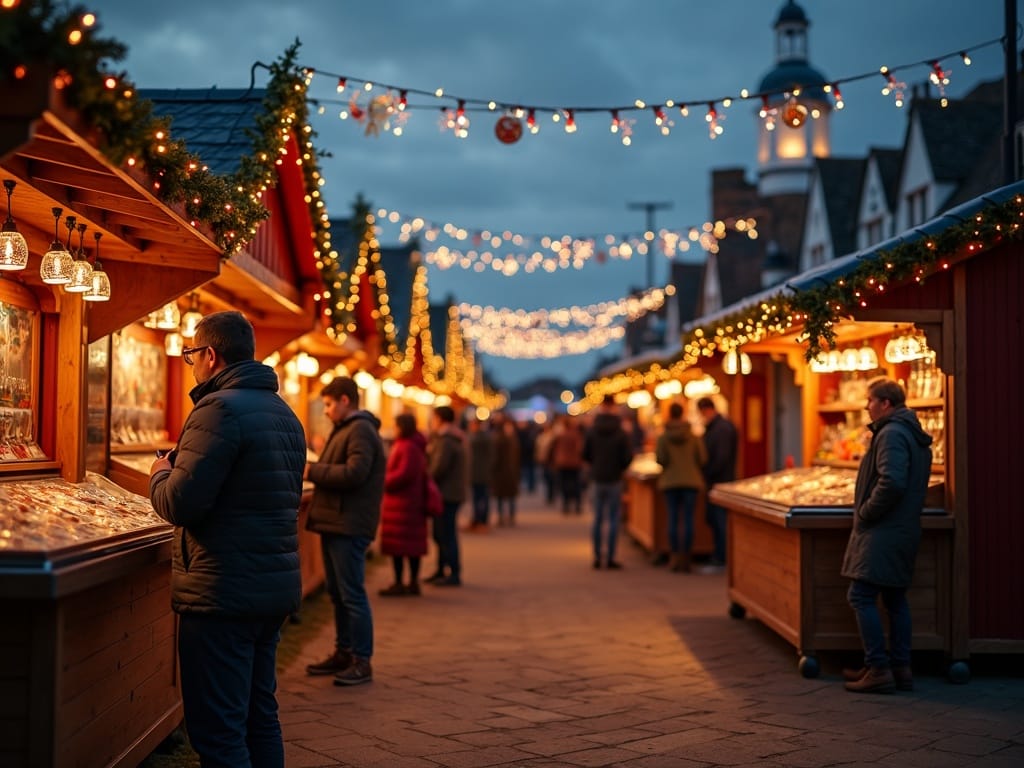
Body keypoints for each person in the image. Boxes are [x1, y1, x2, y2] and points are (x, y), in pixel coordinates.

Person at [149, 310, 305, 767]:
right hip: (269, 589)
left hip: (222, 593)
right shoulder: (283, 413)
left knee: (219, 731)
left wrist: (160, 473)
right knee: (259, 715)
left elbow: (181, 503)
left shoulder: (216, 410)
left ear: (210, 355)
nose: (190, 364)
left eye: (190, 355)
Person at [841, 377, 933, 694]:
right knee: (894, 598)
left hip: (884, 529)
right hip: (902, 528)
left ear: (885, 404)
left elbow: (892, 481)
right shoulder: (908, 431)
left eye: (870, 400)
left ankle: (879, 668)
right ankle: (900, 668)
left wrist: (866, 511)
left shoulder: (891, 433)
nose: (866, 406)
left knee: (861, 595)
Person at [304, 376, 385, 686]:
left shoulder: (361, 430)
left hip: (348, 523)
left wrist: (313, 470)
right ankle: (344, 651)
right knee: (338, 593)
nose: (325, 411)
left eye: (328, 404)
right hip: (337, 521)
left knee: (351, 593)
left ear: (345, 401)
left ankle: (362, 660)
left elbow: (355, 473)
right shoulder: (348, 429)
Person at [378, 413, 430, 596]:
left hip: (404, 504)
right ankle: (409, 582)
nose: (394, 428)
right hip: (408, 503)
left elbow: (404, 474)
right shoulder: (412, 445)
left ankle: (403, 582)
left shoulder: (407, 446)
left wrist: (384, 480)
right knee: (408, 545)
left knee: (401, 546)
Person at [583, 395, 634, 569]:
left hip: (597, 478)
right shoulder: (621, 432)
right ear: (614, 407)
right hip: (614, 479)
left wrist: (596, 464)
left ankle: (597, 556)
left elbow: (585, 454)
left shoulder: (592, 430)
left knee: (597, 518)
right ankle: (611, 557)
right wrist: (619, 467)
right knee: (613, 519)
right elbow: (627, 457)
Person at [655, 401, 707, 573]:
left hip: (670, 482)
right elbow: (702, 459)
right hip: (691, 481)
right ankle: (687, 557)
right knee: (688, 520)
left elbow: (661, 460)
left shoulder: (663, 437)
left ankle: (674, 556)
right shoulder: (693, 437)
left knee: (672, 519)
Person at [426, 405, 467, 585]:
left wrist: (426, 476)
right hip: (451, 492)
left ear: (440, 419)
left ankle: (453, 572)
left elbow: (439, 468)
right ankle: (443, 569)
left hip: (446, 493)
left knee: (446, 533)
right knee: (442, 533)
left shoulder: (446, 440)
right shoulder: (454, 437)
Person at [697, 396, 738, 568]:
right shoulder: (719, 427)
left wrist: (707, 472)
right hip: (717, 480)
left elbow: (721, 458)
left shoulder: (720, 429)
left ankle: (722, 557)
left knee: (719, 520)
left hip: (720, 481)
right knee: (714, 519)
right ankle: (719, 555)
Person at [490, 412, 521, 526]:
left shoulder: (498, 439)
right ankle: (509, 516)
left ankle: (502, 516)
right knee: (509, 495)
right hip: (510, 472)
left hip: (501, 472)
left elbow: (495, 458)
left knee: (501, 496)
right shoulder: (512, 439)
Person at [551, 415, 584, 515]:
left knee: (565, 484)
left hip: (563, 463)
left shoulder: (561, 435)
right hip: (575, 463)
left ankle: (566, 505)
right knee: (576, 484)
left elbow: (555, 449)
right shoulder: (576, 435)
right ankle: (577, 505)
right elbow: (580, 449)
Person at [466, 415, 495, 531]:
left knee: (480, 498)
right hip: (481, 473)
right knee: (480, 498)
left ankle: (481, 520)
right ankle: (479, 520)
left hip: (479, 473)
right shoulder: (484, 437)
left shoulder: (478, 439)